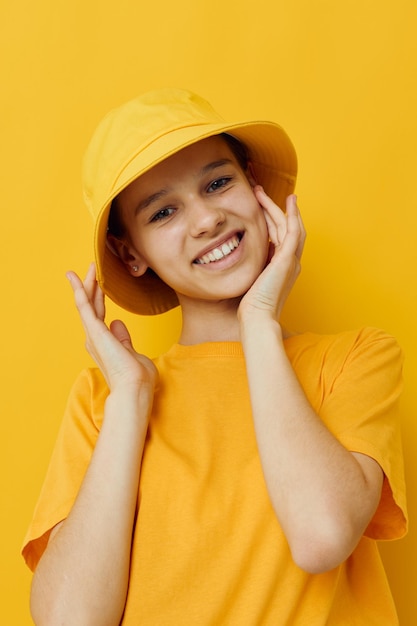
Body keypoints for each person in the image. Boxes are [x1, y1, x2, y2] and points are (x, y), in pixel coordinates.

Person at [23, 88, 407, 625]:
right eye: (163, 212)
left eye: (218, 182)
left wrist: (259, 322)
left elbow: (321, 536)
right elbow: (70, 620)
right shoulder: (103, 400)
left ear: (253, 185)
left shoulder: (355, 359)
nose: (206, 219)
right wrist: (131, 399)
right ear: (131, 254)